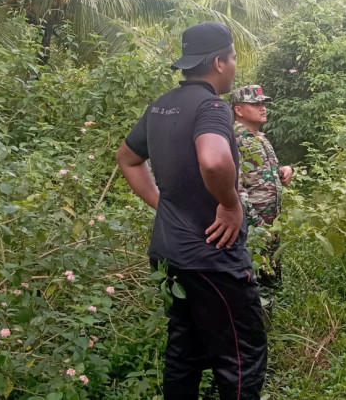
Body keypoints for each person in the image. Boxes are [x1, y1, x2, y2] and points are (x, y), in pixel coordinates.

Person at [115, 21, 266, 400]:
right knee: (240, 357)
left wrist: (163, 204)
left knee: (185, 350)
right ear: (218, 62)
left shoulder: (161, 106)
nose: (234, 65)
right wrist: (230, 205)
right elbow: (214, 161)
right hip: (213, 259)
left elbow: (128, 159)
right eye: (232, 58)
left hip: (171, 254)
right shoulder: (212, 107)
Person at [230, 84, 294, 293]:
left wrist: (283, 170)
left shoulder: (259, 137)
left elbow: (263, 173)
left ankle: (271, 321)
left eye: (263, 103)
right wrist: (257, 226)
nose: (263, 107)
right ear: (238, 110)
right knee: (254, 283)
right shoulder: (236, 139)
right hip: (254, 229)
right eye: (256, 104)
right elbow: (236, 188)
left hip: (269, 226)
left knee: (270, 279)